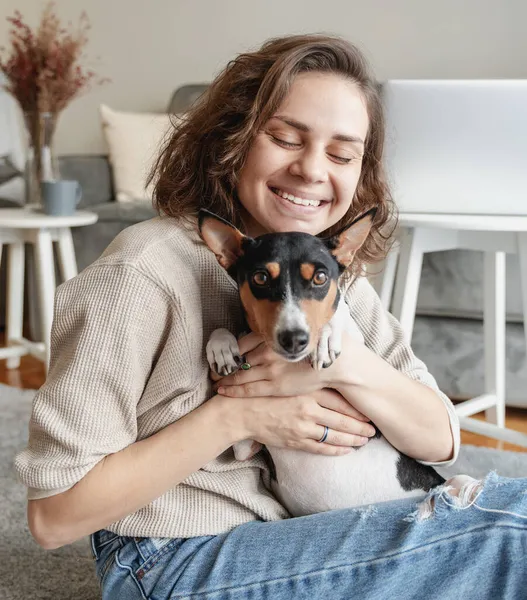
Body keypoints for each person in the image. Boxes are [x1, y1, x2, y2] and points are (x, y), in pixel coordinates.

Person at [15, 34, 526, 599]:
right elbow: (53, 517)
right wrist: (244, 418)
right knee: (511, 535)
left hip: (305, 532)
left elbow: (439, 440)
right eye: (285, 138)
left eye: (341, 154)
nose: (311, 170)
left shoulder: (331, 278)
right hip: (173, 560)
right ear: (232, 139)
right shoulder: (140, 273)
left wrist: (348, 365)